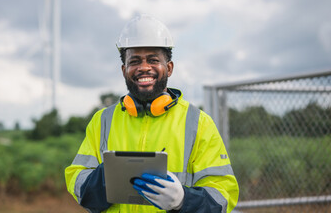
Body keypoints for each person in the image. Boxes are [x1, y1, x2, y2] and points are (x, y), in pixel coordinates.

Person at [65, 14, 239, 213]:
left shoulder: (198, 123)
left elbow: (223, 197)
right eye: (135, 61)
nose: (144, 67)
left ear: (169, 68)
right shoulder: (102, 121)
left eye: (153, 60)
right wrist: (107, 177)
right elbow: (77, 183)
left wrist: (183, 200)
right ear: (124, 70)